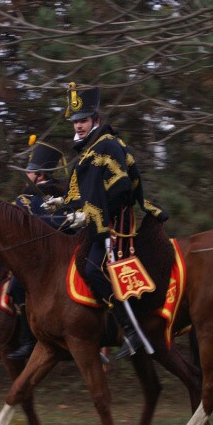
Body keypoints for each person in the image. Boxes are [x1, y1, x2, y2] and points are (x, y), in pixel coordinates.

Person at [45, 82, 168, 359]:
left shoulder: (108, 145)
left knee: (90, 270)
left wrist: (89, 214)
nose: (78, 126)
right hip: (94, 223)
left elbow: (121, 189)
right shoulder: (87, 152)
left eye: (83, 120)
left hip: (113, 224)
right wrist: (62, 203)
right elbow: (83, 194)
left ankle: (131, 329)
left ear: (95, 120)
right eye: (75, 121)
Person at [6, 139, 75, 360]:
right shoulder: (25, 200)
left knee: (16, 287)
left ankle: (33, 341)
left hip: (60, 258)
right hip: (36, 260)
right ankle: (28, 339)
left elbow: (68, 224)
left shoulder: (61, 198)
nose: (26, 174)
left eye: (30, 171)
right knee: (14, 288)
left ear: (41, 176)